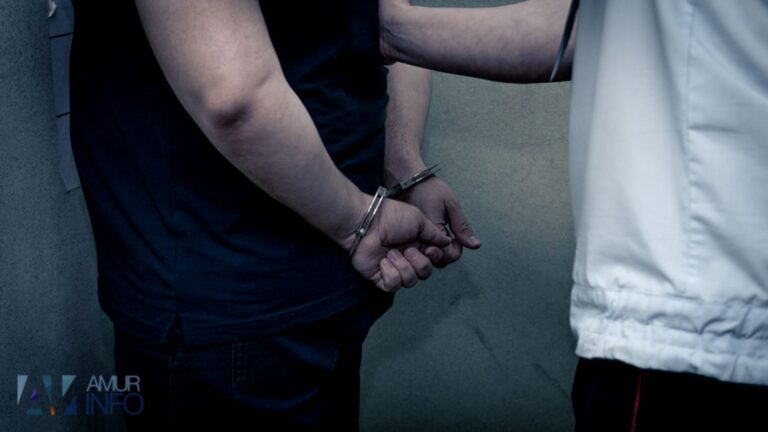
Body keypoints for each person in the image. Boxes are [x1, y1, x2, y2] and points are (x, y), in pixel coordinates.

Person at [68, 0, 479, 429]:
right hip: (225, 299)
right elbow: (233, 97)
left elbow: (388, 21)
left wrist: (402, 168)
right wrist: (360, 221)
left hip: (330, 280)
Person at [380, 0, 768, 429]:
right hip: (697, 312)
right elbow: (591, 25)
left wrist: (384, 28)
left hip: (697, 319)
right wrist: (389, 31)